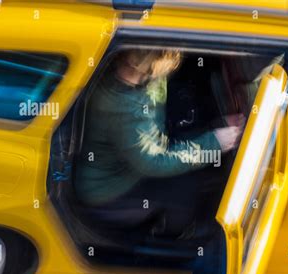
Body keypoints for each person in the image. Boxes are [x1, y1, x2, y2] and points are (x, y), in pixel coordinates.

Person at [74, 48, 244, 236]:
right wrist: (215, 143)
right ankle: (175, 242)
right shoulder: (121, 106)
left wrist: (215, 129)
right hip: (109, 190)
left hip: (133, 162)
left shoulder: (138, 75)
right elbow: (152, 162)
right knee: (189, 188)